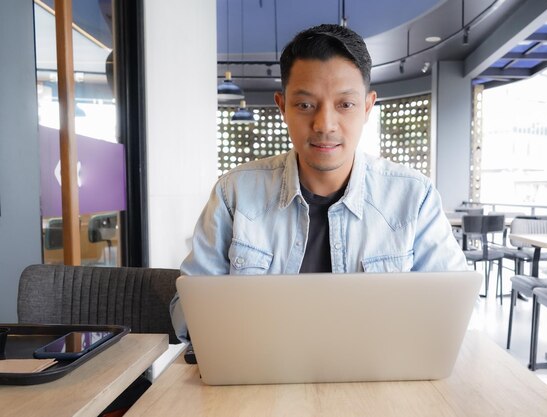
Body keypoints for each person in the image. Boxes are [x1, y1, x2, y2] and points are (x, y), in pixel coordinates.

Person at [170, 23, 467, 342]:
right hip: (262, 377)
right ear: (282, 106)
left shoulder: (414, 197)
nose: (324, 124)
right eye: (305, 105)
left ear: (367, 107)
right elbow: (186, 318)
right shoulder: (234, 193)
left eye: (345, 104)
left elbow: (453, 311)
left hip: (378, 380)